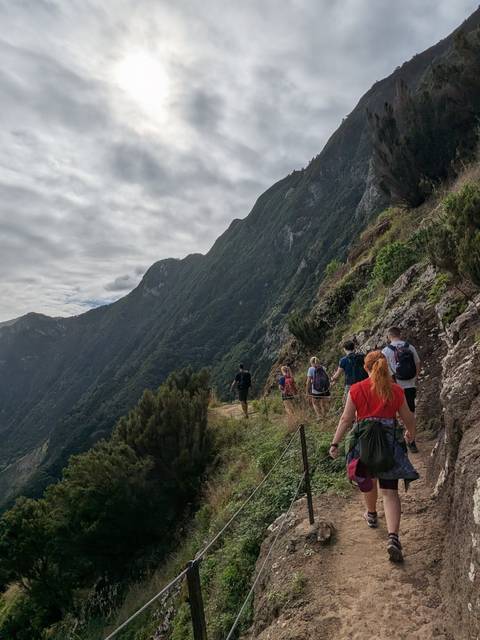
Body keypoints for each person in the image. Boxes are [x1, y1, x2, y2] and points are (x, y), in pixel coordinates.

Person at [329, 350, 418, 563]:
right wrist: (410, 434)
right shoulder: (395, 390)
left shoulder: (357, 389)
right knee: (390, 491)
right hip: (389, 443)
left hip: (364, 442)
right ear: (386, 367)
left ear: (366, 368)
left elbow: (346, 418)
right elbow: (408, 417)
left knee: (368, 481)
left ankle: (370, 514)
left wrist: (335, 443)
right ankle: (393, 538)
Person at [382, 327, 421, 453]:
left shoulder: (386, 351)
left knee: (395, 414)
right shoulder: (410, 347)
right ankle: (412, 441)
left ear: (389, 336)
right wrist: (414, 378)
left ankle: (399, 443)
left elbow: (384, 372)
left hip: (395, 387)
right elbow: (417, 364)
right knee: (410, 414)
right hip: (410, 385)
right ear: (400, 334)